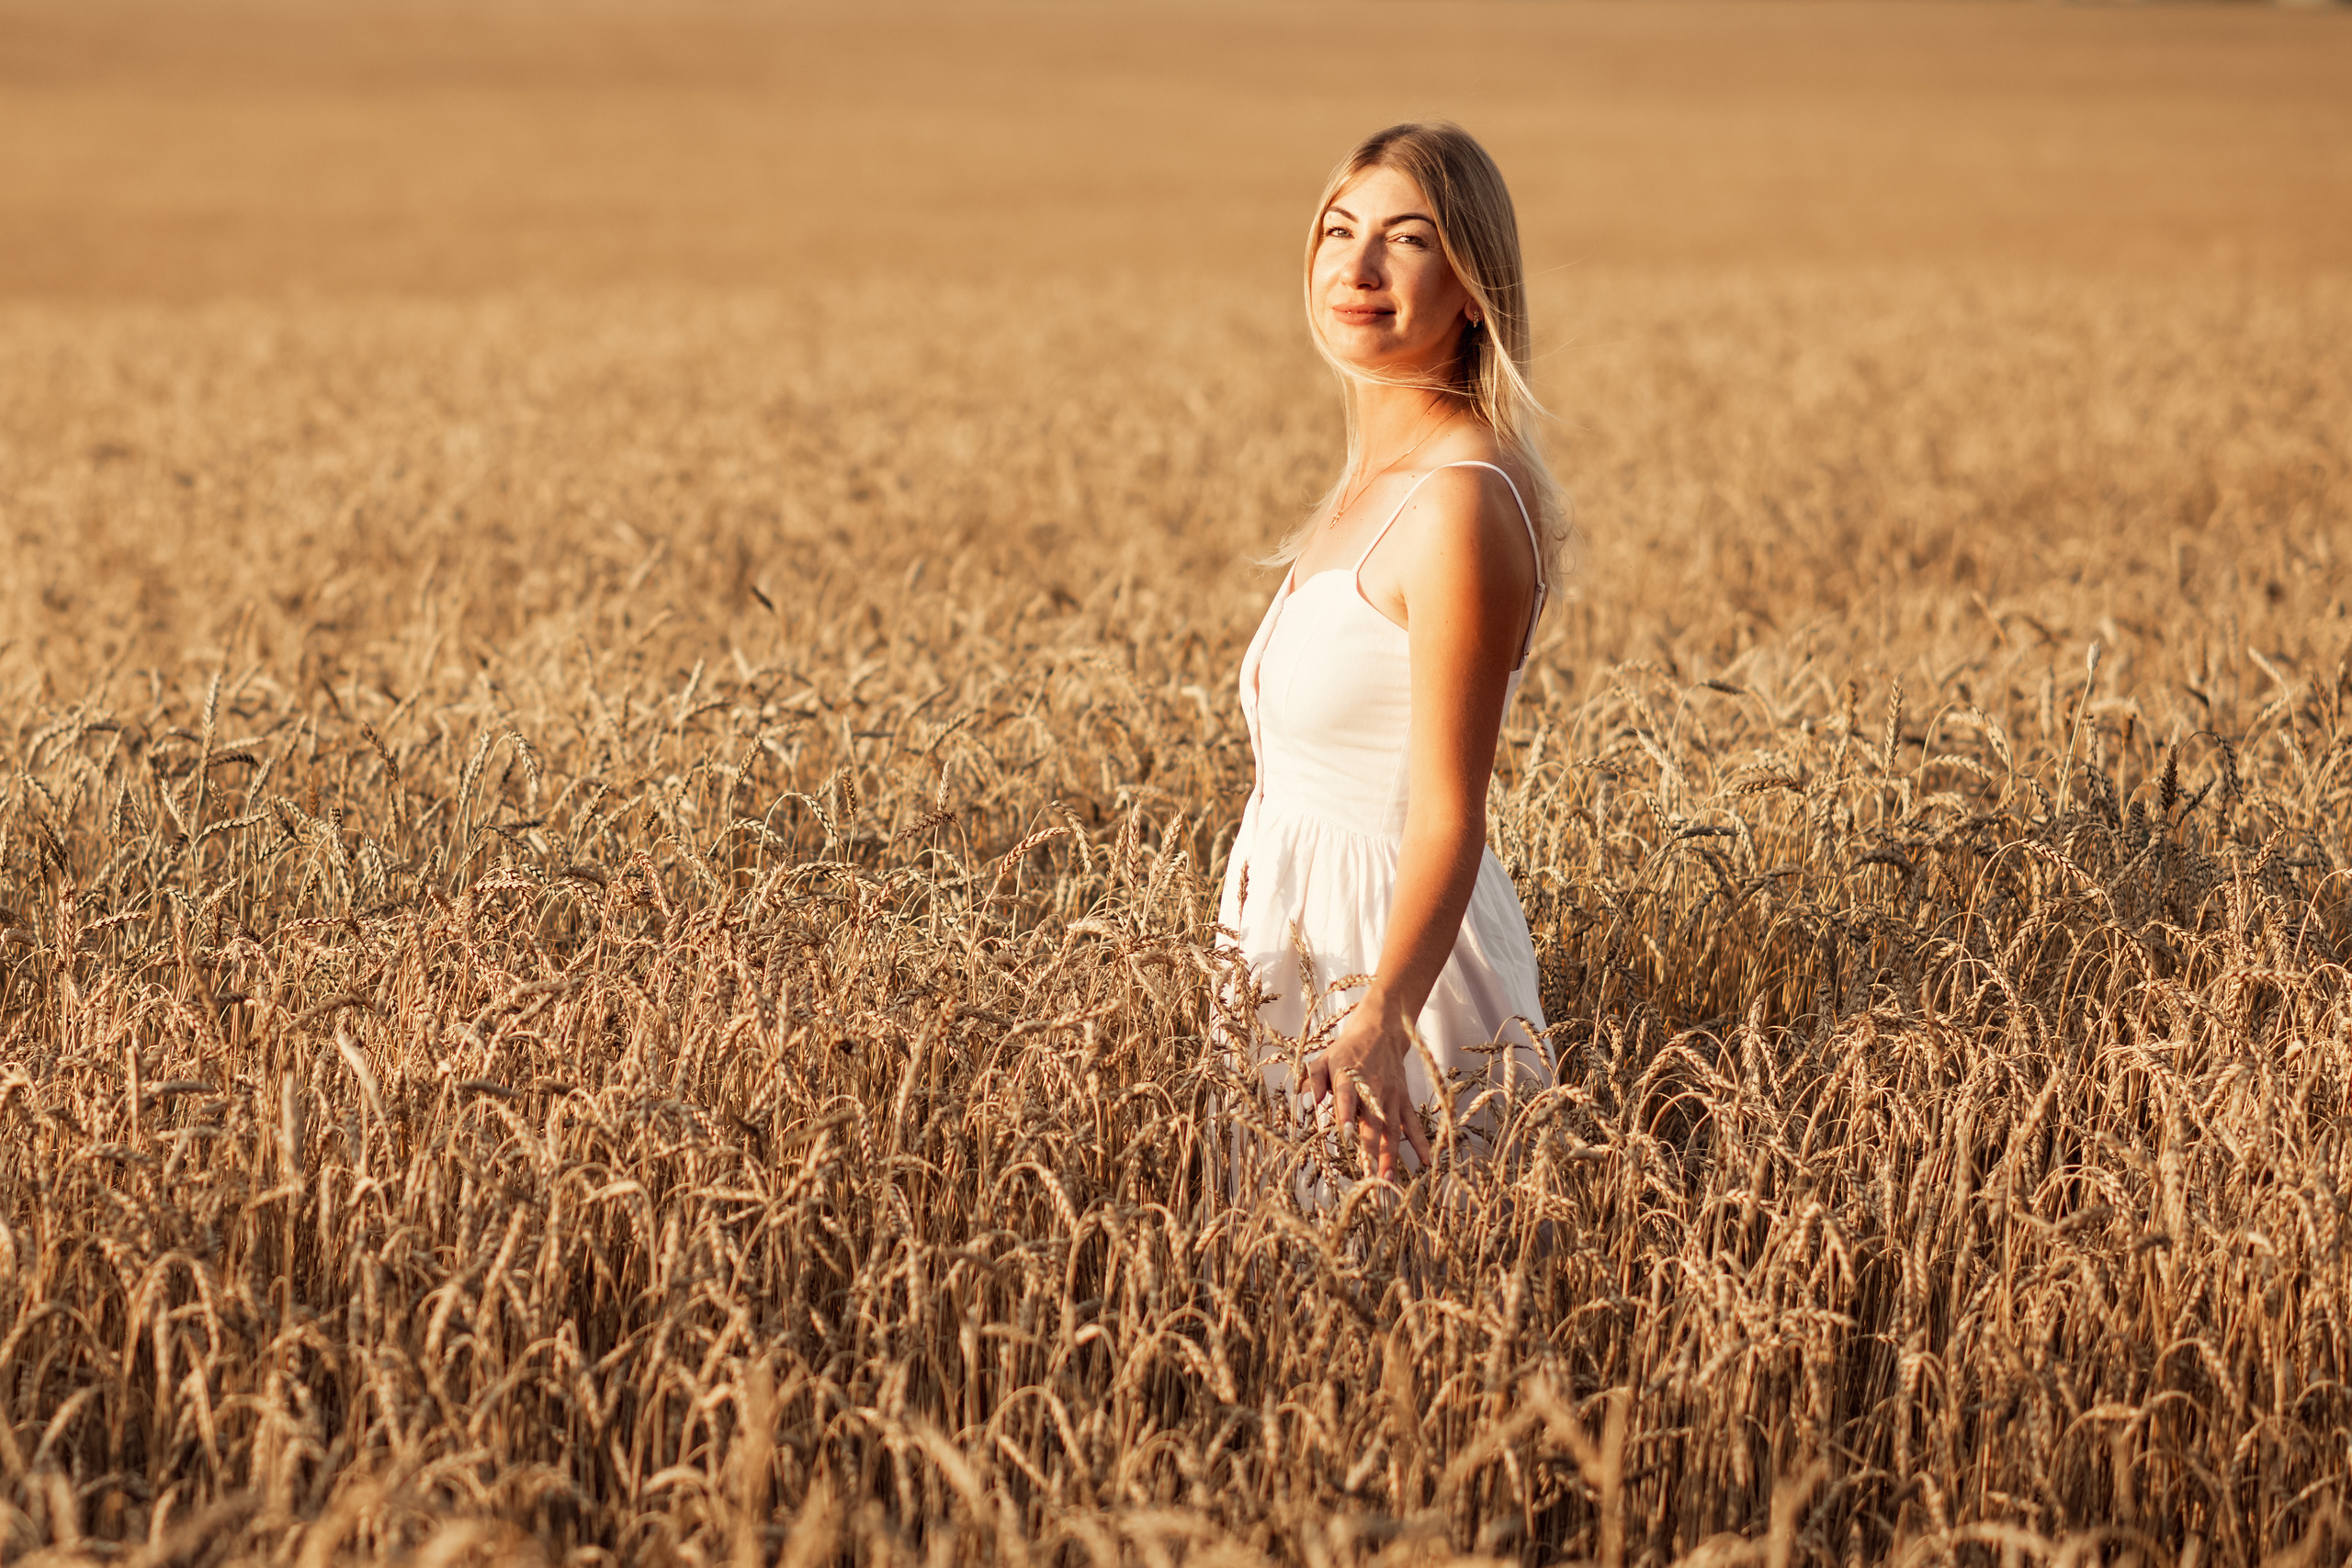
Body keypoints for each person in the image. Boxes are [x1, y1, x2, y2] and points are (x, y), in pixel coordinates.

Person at [1218, 121, 1565, 1184]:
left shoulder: (1457, 502)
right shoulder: (1369, 488)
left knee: (1410, 1320)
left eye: (1406, 241)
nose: (1357, 268)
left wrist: (1382, 1018)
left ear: (1471, 287)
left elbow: (1451, 812)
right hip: (1301, 974)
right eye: (1339, 230)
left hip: (1390, 993)